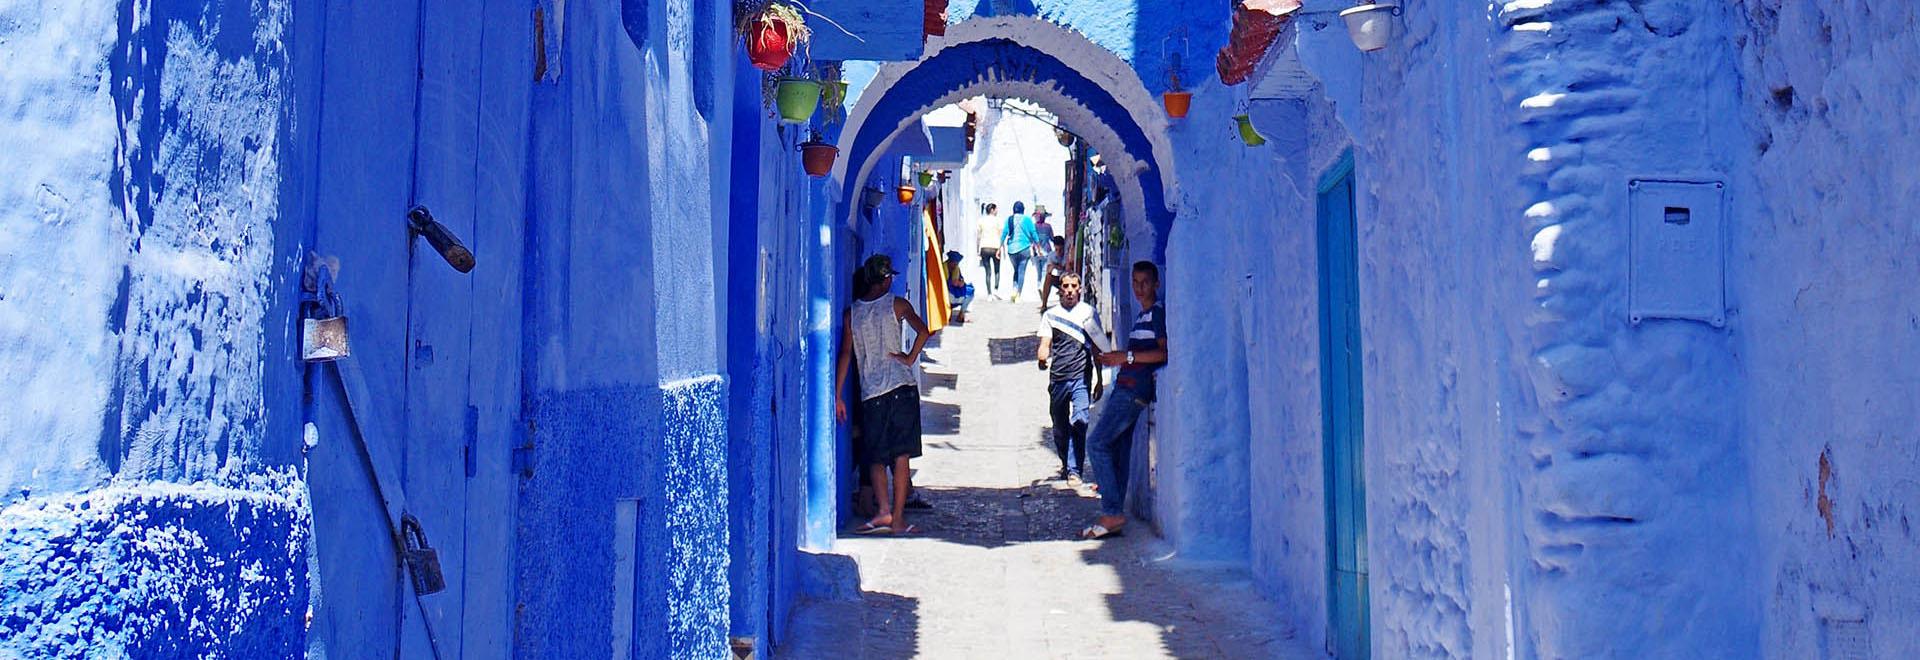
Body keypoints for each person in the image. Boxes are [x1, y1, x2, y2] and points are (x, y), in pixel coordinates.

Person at [835, 255, 935, 535]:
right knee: (901, 456)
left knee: (876, 457)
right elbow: (924, 331)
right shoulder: (897, 304)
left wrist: (837, 395)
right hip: (901, 389)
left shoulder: (851, 314)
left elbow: (845, 354)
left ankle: (883, 512)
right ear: (885, 279)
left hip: (871, 393)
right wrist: (909, 357)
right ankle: (899, 519)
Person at [1081, 261, 1168, 540]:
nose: (1139, 288)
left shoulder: (1156, 315)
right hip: (1128, 387)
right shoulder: (1142, 317)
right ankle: (1114, 513)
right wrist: (1112, 355)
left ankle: (1111, 510)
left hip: (1132, 391)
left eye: (1145, 282)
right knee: (1118, 449)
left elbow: (1162, 354)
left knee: (1096, 443)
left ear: (1156, 284)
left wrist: (1125, 357)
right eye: (1135, 282)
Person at [1036, 273, 1105, 482]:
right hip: (1058, 378)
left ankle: (1075, 470)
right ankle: (1066, 462)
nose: (1069, 290)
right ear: (1060, 290)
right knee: (1059, 426)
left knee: (1081, 420)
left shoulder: (1089, 314)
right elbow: (1045, 343)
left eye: (1073, 286)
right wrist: (1042, 356)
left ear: (1080, 289)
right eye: (1065, 286)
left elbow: (1096, 347)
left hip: (1080, 377)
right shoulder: (1051, 315)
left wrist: (1100, 379)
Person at [1001, 202, 1041, 302]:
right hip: (1024, 249)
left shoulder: (1009, 219)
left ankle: (1014, 290)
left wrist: (1000, 246)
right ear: (1023, 209)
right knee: (1021, 271)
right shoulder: (1027, 219)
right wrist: (1038, 246)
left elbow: (1004, 233)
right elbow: (1033, 233)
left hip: (1012, 250)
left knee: (1016, 270)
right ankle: (1018, 294)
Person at [975, 203, 1003, 298]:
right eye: (996, 209)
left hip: (984, 247)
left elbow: (978, 236)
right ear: (992, 210)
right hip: (995, 247)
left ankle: (989, 294)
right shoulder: (998, 220)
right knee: (997, 270)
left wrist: (977, 249)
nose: (997, 211)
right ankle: (996, 289)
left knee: (988, 271)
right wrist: (1002, 248)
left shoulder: (981, 220)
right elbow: (1000, 235)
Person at [1037, 236, 1070, 312]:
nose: (1059, 251)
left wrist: (1055, 266)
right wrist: (1054, 267)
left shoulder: (1067, 255)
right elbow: (1049, 270)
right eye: (1056, 249)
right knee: (1048, 277)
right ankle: (1044, 304)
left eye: (1060, 249)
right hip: (1059, 278)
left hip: (1067, 278)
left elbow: (1067, 268)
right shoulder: (1052, 255)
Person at [945, 251, 975, 323]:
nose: (955, 265)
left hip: (955, 290)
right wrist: (952, 283)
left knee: (970, 292)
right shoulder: (943, 268)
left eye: (956, 264)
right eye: (954, 263)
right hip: (946, 291)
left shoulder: (956, 269)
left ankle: (961, 315)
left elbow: (959, 279)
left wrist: (961, 283)